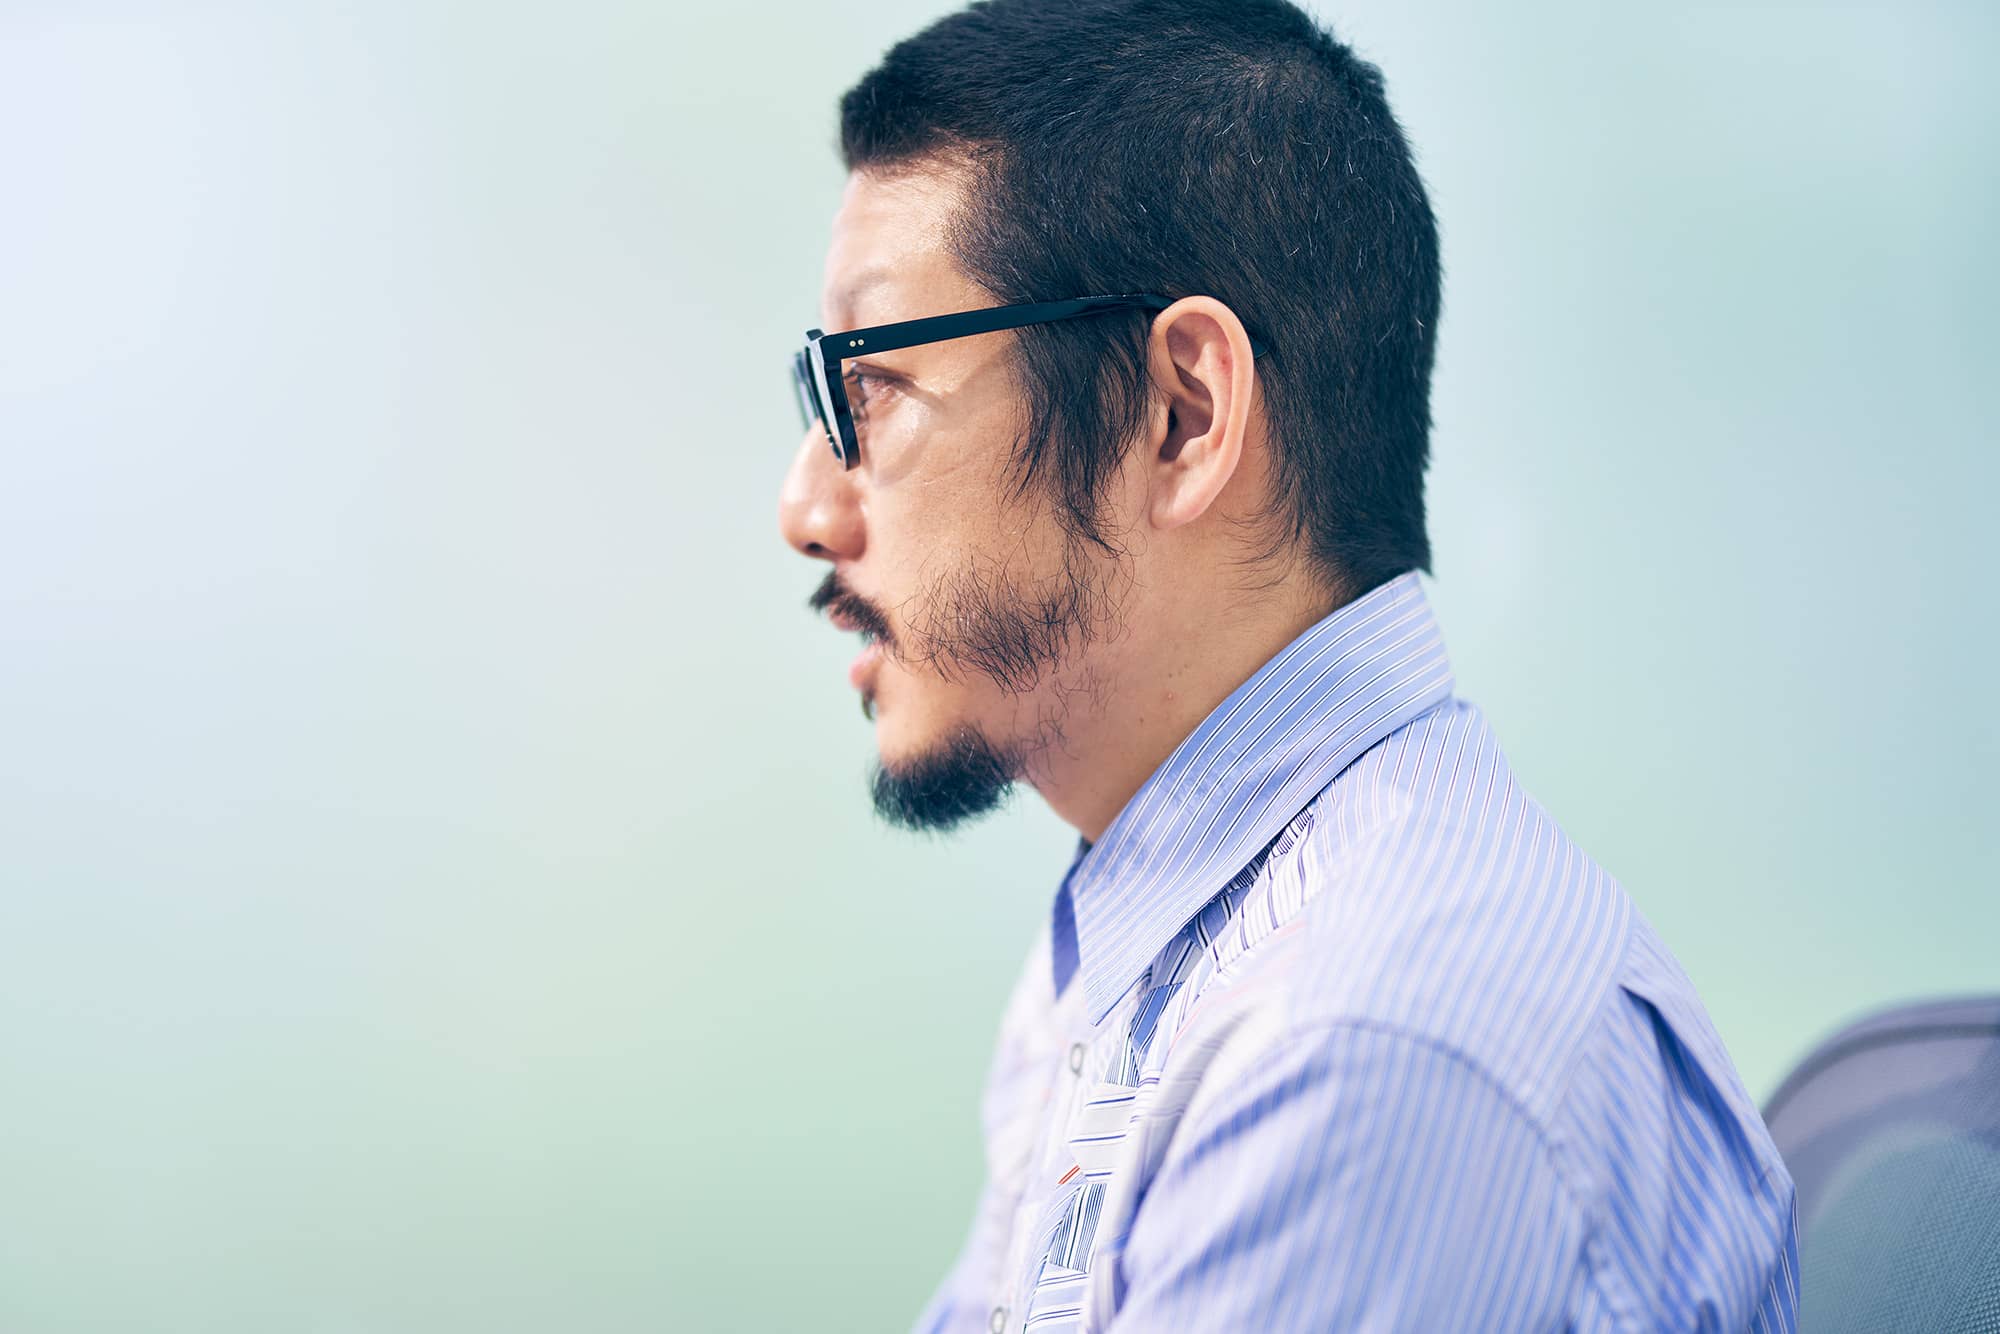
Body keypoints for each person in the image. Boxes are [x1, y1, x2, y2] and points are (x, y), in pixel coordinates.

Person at [776, 1, 1798, 1328]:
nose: (805, 509)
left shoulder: (1352, 1044)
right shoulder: (1152, 940)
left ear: (1180, 414)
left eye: (870, 386)